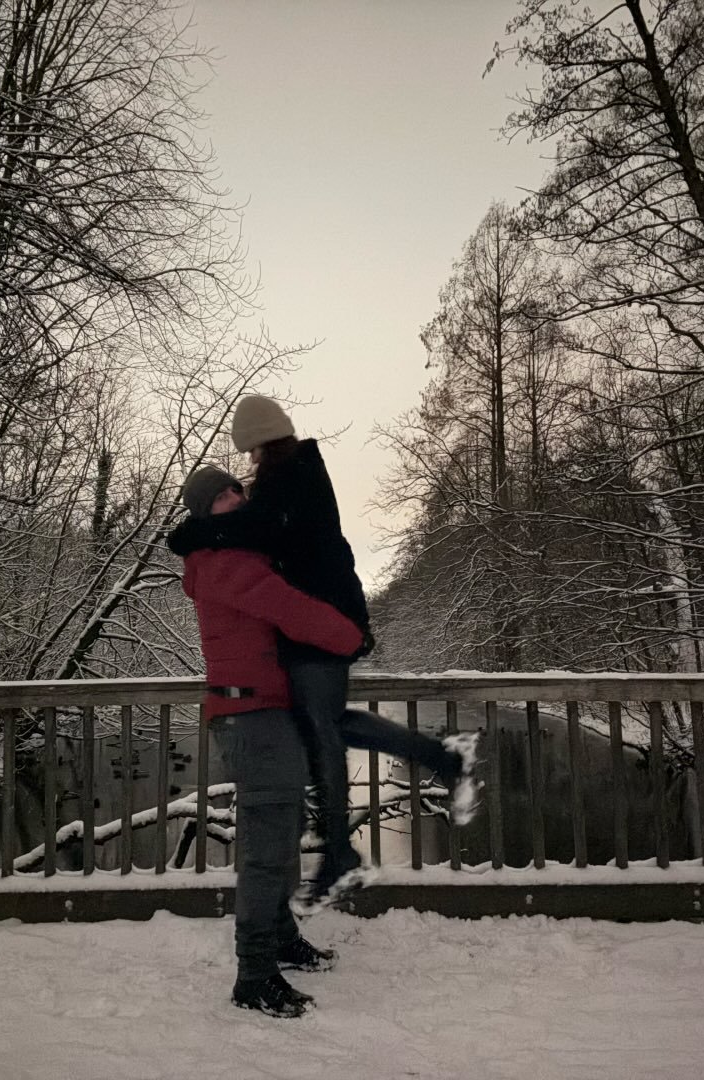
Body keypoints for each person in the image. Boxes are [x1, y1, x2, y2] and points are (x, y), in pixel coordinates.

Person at [169, 397, 480, 911]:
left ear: (262, 442)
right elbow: (264, 540)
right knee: (325, 726)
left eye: (244, 468)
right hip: (318, 627)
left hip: (324, 624)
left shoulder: (291, 476)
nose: (244, 477)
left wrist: (190, 533)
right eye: (225, 492)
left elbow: (257, 533)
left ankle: (342, 848)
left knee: (324, 730)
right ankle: (371, 820)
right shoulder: (290, 477)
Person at [179, 464, 365, 1019]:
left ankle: (281, 938)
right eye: (221, 495)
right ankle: (254, 974)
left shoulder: (241, 552)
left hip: (263, 712)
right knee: (266, 851)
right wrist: (351, 637)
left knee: (281, 836)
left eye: (236, 488)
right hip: (250, 716)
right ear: (204, 511)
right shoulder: (222, 559)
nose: (235, 497)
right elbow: (290, 609)